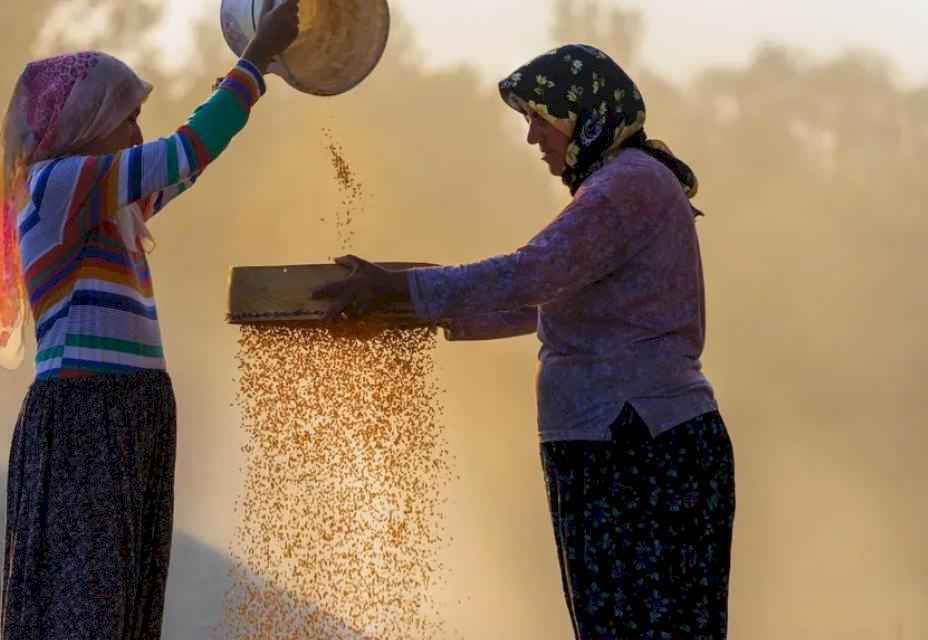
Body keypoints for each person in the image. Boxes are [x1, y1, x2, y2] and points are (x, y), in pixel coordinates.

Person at [313, 43, 736, 639]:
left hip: (638, 443)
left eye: (541, 117)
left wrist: (404, 290)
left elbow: (533, 274)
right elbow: (545, 301)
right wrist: (410, 308)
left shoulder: (627, 186)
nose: (533, 136)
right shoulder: (620, 183)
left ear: (584, 114)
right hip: (617, 440)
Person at [0, 2, 299, 638]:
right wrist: (255, 60)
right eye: (124, 119)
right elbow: (181, 153)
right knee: (84, 603)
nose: (135, 134)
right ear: (83, 124)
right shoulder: (57, 185)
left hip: (134, 411)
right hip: (86, 413)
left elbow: (188, 162)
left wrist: (248, 75)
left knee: (125, 601)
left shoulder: (108, 202)